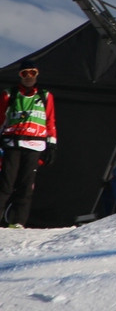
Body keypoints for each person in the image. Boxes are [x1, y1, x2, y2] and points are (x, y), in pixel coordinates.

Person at [0, 60, 57, 228]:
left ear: (37, 74)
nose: (28, 77)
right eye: (24, 73)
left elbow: (50, 122)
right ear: (19, 76)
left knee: (26, 186)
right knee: (6, 184)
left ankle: (18, 222)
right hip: (13, 144)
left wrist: (52, 146)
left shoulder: (45, 96)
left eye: (31, 73)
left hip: (34, 147)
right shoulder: (9, 94)